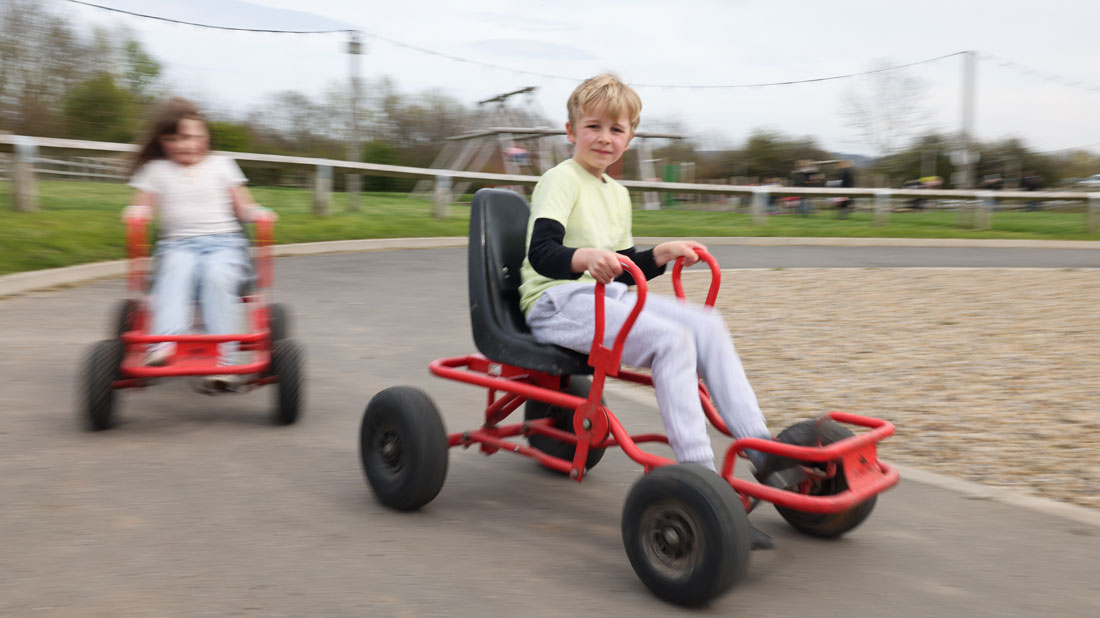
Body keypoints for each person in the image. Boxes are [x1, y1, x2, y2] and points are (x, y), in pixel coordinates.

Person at [518, 75, 803, 545]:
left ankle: (764, 450)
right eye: (593, 127)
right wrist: (587, 257)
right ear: (570, 131)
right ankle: (701, 481)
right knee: (672, 342)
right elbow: (542, 251)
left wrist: (661, 254)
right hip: (556, 301)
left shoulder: (617, 192)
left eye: (616, 130)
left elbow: (626, 271)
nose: (604, 139)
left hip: (603, 299)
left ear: (629, 138)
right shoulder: (560, 180)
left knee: (706, 325)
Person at [124, 97, 273, 392]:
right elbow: (143, 205)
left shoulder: (221, 164)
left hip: (225, 244)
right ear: (162, 141)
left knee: (217, 277)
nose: (186, 145)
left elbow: (243, 206)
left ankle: (223, 360)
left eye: (193, 137)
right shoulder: (156, 169)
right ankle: (163, 346)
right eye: (175, 139)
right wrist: (137, 213)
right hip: (176, 245)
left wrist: (256, 213)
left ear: (205, 137)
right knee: (175, 273)